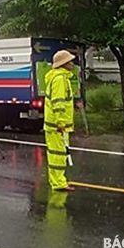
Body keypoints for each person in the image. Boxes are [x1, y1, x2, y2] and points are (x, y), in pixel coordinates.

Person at [44, 50, 76, 192]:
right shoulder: (59, 79)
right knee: (58, 155)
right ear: (63, 64)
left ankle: (56, 181)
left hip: (54, 125)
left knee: (56, 154)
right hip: (57, 126)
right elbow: (58, 102)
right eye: (69, 61)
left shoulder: (59, 78)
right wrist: (61, 122)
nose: (71, 63)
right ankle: (58, 183)